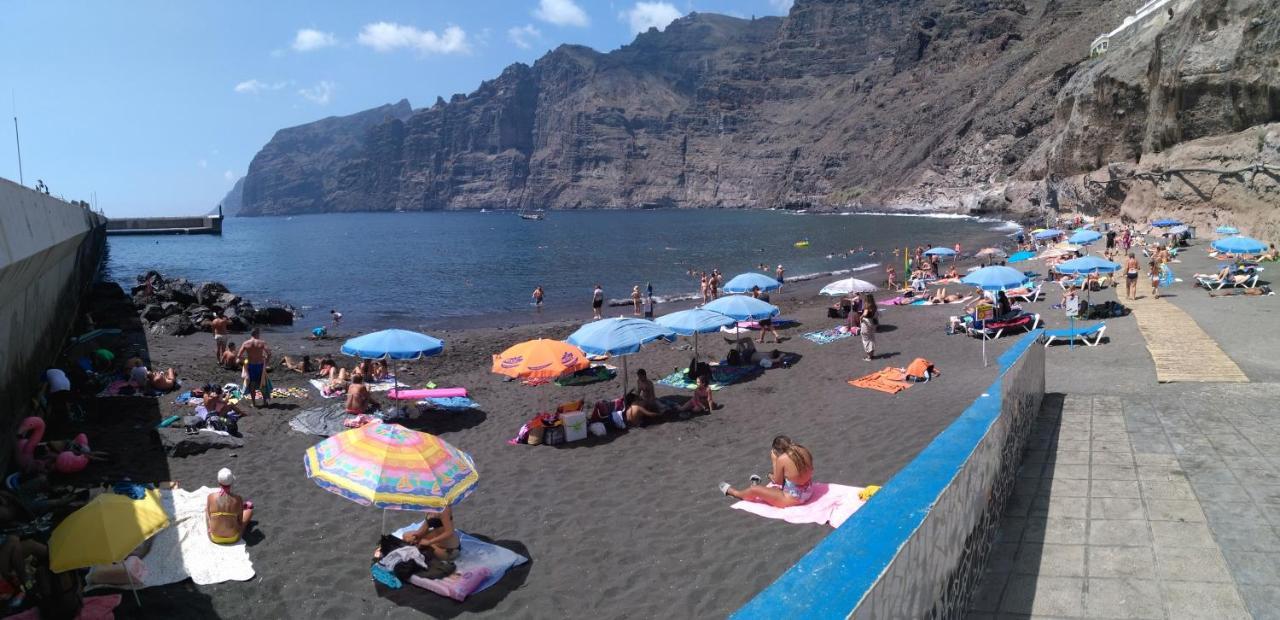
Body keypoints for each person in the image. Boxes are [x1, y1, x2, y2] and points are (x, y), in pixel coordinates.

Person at [718, 436, 814, 507]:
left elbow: (778, 481)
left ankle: (735, 493)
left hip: (795, 499)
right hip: (808, 491)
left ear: (777, 451)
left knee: (754, 489)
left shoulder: (782, 459)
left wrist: (774, 460)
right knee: (771, 487)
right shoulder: (802, 449)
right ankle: (759, 486)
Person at [206, 468, 253, 545]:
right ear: (231, 483)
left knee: (207, 511)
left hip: (214, 537)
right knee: (249, 511)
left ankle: (209, 528)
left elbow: (210, 516)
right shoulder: (238, 499)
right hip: (233, 538)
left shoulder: (211, 497)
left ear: (219, 482)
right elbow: (239, 521)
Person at [235, 328, 271, 407]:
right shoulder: (262, 342)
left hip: (251, 365)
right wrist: (266, 362)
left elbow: (238, 356)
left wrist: (246, 361)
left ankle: (254, 403)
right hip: (260, 365)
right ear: (257, 334)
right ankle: (264, 402)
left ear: (251, 334)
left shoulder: (246, 343)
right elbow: (269, 353)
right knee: (262, 383)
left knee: (252, 384)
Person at [859, 292, 878, 362]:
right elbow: (876, 315)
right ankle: (871, 355)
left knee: (865, 339)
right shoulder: (874, 306)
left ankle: (869, 357)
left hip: (866, 322)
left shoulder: (867, 306)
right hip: (872, 322)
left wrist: (861, 317)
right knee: (871, 338)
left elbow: (865, 313)